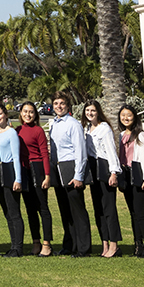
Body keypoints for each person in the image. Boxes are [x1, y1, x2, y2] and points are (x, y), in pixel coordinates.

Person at [50, 95, 92, 257]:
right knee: (65, 211)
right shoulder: (54, 123)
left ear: (68, 106)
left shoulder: (73, 124)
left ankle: (84, 248)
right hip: (59, 169)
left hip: (72, 168)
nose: (59, 106)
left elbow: (80, 151)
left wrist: (79, 176)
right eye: (56, 103)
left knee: (78, 211)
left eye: (62, 103)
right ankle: (70, 245)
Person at [82, 99, 122, 257]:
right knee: (98, 209)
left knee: (109, 209)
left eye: (92, 110)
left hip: (105, 168)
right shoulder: (86, 129)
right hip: (92, 170)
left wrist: (113, 172)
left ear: (98, 112)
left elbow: (111, 151)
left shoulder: (104, 129)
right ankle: (104, 244)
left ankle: (114, 245)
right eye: (87, 111)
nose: (90, 113)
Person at [17, 101, 53, 257]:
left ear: (35, 114)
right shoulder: (17, 130)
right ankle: (36, 241)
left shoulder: (38, 131)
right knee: (30, 209)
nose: (28, 115)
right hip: (24, 171)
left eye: (31, 112)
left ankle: (47, 243)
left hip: (37, 169)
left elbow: (45, 153)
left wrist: (47, 176)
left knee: (42, 208)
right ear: (21, 113)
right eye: (25, 111)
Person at [118, 104, 144, 258]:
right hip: (126, 176)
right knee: (133, 213)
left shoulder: (140, 135)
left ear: (135, 117)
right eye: (123, 115)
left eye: (129, 115)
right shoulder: (121, 135)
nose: (126, 118)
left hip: (138, 175)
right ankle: (137, 244)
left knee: (140, 213)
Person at [0, 105, 25, 257]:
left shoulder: (11, 133)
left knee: (14, 212)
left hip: (10, 171)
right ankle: (13, 245)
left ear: (5, 115)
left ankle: (18, 248)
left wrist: (18, 179)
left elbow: (16, 157)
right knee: (7, 213)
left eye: (0, 114)